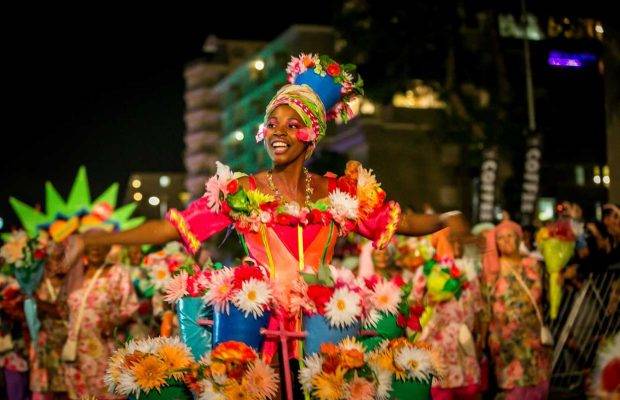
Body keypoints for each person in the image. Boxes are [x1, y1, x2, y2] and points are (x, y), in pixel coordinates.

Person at [62, 53, 473, 392]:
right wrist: (96, 235)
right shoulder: (241, 190)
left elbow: (401, 220)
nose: (278, 133)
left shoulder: (339, 192)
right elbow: (170, 227)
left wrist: (445, 219)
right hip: (255, 332)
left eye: (292, 125)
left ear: (312, 136)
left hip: (325, 329)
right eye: (272, 124)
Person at [62, 230, 138, 400]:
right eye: (91, 245)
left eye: (100, 245)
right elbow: (64, 306)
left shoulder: (118, 273)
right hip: (76, 350)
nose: (95, 249)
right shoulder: (75, 275)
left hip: (104, 346)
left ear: (108, 248)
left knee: (108, 391)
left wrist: (114, 322)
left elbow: (131, 306)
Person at [483, 220, 551, 399]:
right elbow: (485, 302)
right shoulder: (492, 268)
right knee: (512, 384)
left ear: (519, 238)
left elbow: (539, 294)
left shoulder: (532, 263)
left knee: (535, 381)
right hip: (505, 338)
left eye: (509, 236)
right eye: (500, 238)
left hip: (531, 334)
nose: (505, 241)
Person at [29, 242, 68, 400]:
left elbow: (64, 312)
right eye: (55, 259)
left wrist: (39, 303)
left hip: (66, 342)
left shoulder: (71, 283)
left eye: (62, 258)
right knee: (46, 390)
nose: (59, 263)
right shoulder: (36, 285)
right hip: (46, 342)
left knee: (66, 388)